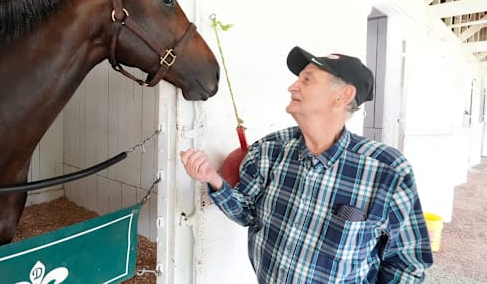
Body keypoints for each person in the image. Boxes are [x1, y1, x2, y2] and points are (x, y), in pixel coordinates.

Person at [180, 46, 433, 283]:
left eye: (307, 80)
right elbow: (248, 213)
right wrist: (214, 180)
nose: (292, 87)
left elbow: (407, 263)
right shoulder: (269, 150)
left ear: (343, 96)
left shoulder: (387, 171)